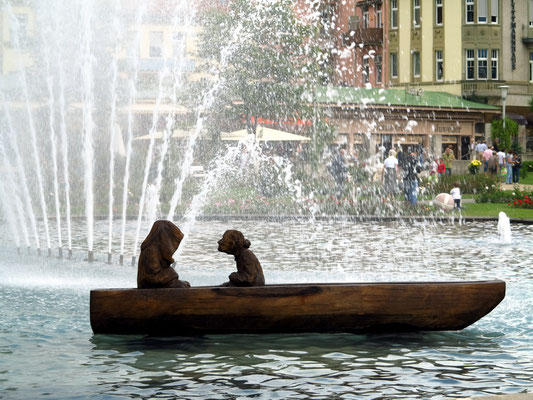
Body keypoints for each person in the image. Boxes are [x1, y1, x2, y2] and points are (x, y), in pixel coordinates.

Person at [137, 220, 191, 289]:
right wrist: (172, 273)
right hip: (149, 289)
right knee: (183, 286)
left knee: (184, 285)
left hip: (154, 287)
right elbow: (153, 277)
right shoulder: (151, 250)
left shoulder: (156, 248)